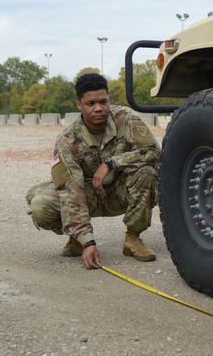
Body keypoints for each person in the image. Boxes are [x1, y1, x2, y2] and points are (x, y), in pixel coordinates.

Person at [26, 73, 160, 269]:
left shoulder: (126, 118)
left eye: (103, 101)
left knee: (147, 173)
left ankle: (133, 238)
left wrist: (112, 162)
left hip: (118, 191)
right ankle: (76, 237)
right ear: (79, 105)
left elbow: (154, 152)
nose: (99, 108)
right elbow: (71, 188)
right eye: (91, 104)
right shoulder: (67, 139)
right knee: (39, 206)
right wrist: (87, 240)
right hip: (85, 194)